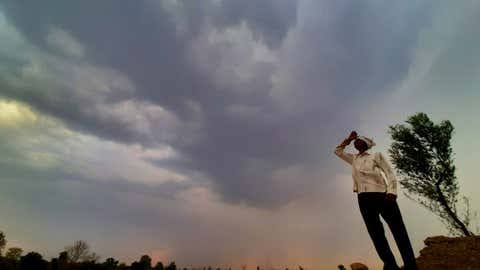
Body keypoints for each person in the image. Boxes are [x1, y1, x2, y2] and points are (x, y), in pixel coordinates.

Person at [334, 131, 418, 270]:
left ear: (366, 144)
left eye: (359, 140)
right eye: (355, 141)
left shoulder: (376, 155)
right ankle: (391, 265)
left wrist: (392, 191)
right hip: (363, 198)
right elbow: (337, 151)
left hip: (382, 195)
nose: (356, 142)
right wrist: (348, 139)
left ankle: (410, 265)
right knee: (376, 234)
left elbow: (389, 172)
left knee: (398, 230)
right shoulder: (354, 159)